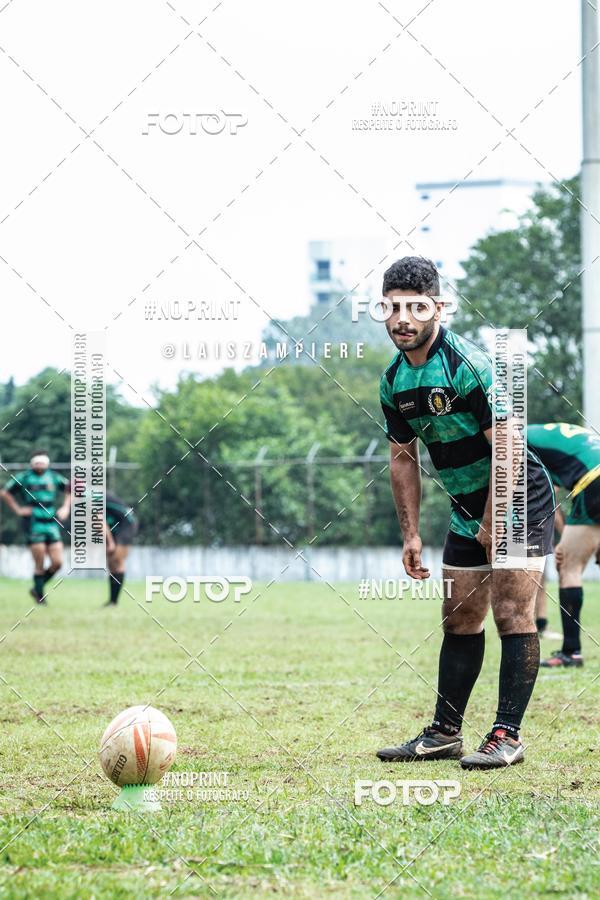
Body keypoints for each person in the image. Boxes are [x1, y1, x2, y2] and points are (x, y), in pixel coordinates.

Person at [376, 257, 554, 770]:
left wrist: (495, 518)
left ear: (438, 308)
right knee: (458, 616)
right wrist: (410, 534)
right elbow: (402, 459)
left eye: (416, 307)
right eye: (392, 308)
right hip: (466, 506)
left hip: (516, 496)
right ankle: (444, 733)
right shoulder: (393, 381)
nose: (403, 319)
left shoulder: (468, 365)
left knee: (511, 612)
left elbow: (509, 447)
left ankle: (506, 736)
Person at [527, 423, 600, 667]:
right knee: (570, 557)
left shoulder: (513, 442)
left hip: (593, 480)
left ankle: (571, 652)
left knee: (568, 566)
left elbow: (546, 497)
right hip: (594, 476)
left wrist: (561, 540)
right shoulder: (545, 436)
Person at [0, 450, 71, 604]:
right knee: (39, 562)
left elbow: (72, 488)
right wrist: (18, 510)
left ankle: (37, 588)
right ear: (32, 463)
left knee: (57, 562)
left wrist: (66, 507)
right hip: (33, 522)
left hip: (51, 521)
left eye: (42, 462)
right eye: (37, 462)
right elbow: (5, 493)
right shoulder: (24, 477)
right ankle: (40, 597)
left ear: (47, 463)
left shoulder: (53, 477)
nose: (39, 465)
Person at [103, 491, 138, 606]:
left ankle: (113, 602)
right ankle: (112, 601)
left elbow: (100, 522)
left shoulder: (90, 498)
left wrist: (110, 543)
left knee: (117, 561)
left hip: (126, 524)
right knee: (111, 563)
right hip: (116, 525)